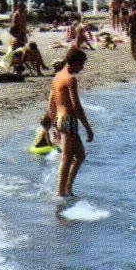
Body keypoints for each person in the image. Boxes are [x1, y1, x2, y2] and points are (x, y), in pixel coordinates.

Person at [47, 48, 92, 198]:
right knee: (67, 157)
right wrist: (87, 127)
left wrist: (54, 124)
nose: (82, 68)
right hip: (69, 120)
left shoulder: (57, 77)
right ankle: (61, 192)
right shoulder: (70, 79)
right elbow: (76, 106)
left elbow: (51, 103)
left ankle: (68, 188)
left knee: (79, 156)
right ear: (75, 62)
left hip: (60, 119)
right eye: (82, 64)